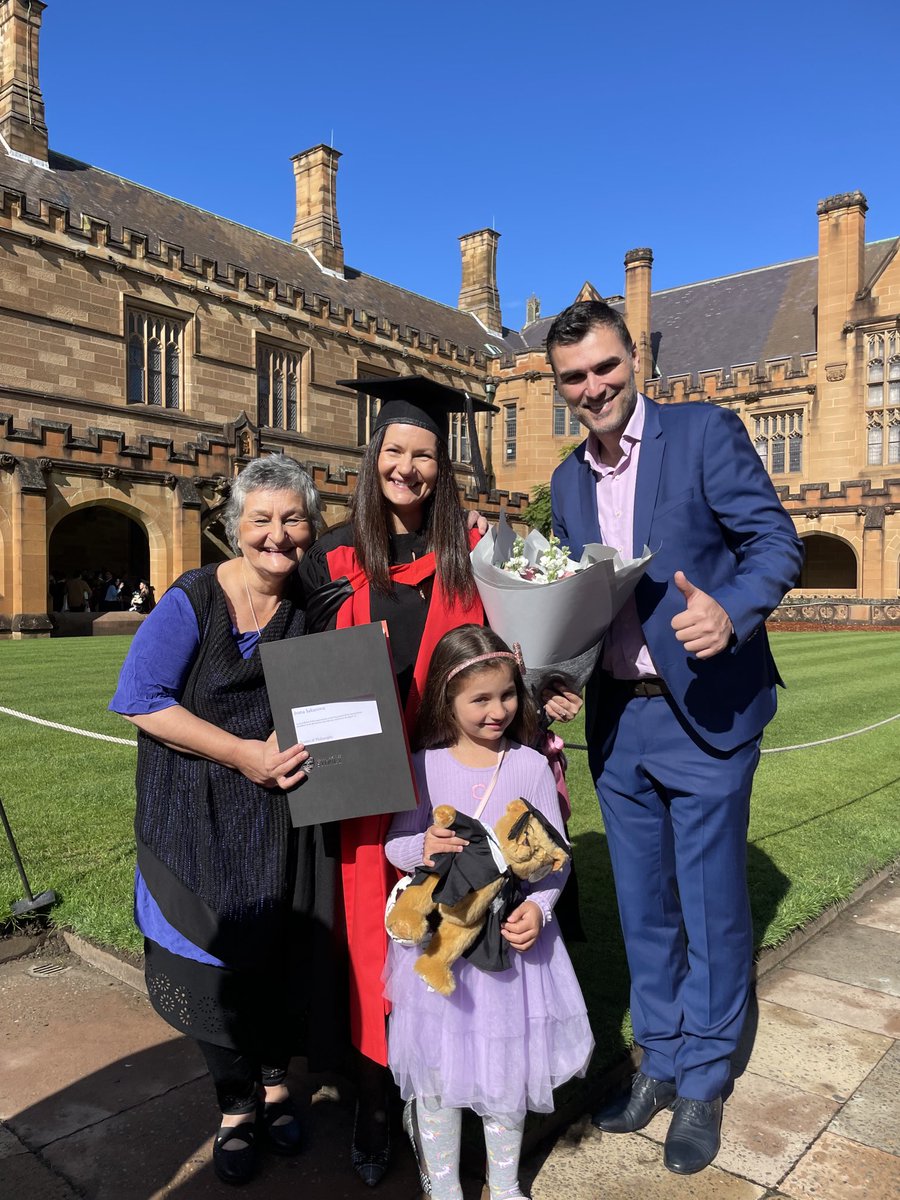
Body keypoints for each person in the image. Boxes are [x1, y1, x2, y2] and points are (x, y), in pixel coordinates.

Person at [547, 300, 804, 1174]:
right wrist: (555, 670)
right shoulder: (566, 483)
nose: (594, 387)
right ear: (560, 388)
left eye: (605, 367)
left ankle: (704, 1079)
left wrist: (730, 612)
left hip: (707, 715)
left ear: (634, 360)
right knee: (642, 907)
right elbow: (578, 602)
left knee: (712, 905)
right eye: (575, 377)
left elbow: (775, 540)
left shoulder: (702, 435)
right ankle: (659, 1059)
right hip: (620, 722)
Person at [110, 455, 339, 1187]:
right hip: (194, 807)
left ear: (311, 526)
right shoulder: (193, 600)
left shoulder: (313, 603)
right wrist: (242, 754)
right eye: (262, 519)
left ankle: (275, 1087)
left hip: (280, 817)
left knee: (275, 961)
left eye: (293, 518)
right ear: (234, 526)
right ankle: (235, 1104)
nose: (278, 535)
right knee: (210, 964)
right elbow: (142, 699)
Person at [297, 375, 497, 1185]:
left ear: (441, 468)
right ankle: (377, 1102)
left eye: (422, 454)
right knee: (374, 944)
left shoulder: (473, 553)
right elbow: (298, 666)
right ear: (372, 455)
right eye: (395, 450)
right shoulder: (333, 558)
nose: (407, 467)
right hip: (364, 791)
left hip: (446, 779)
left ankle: (450, 1098)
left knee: (446, 938)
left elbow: (506, 652)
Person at [383, 625, 594, 1200]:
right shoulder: (421, 765)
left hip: (511, 951)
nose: (497, 710)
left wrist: (543, 910)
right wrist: (421, 846)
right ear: (446, 701)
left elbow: (554, 859)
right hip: (440, 950)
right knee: (435, 1075)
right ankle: (445, 1185)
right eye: (479, 699)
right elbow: (393, 844)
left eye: (506, 695)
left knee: (507, 1068)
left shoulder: (527, 764)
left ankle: (504, 1184)